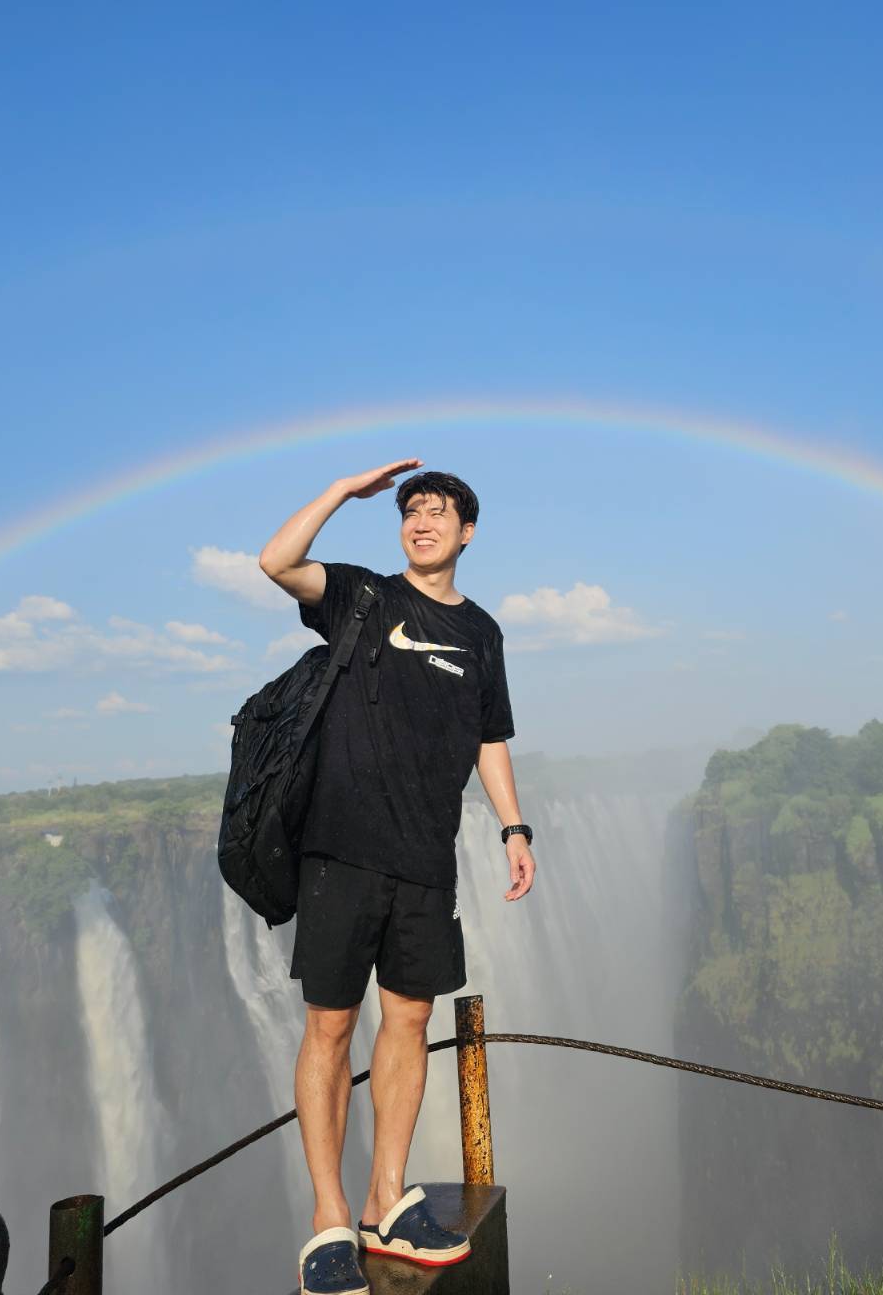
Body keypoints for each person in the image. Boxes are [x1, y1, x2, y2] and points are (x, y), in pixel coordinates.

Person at [259, 461, 535, 1295]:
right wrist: (344, 492)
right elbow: (275, 562)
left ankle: (387, 1198)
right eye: (412, 512)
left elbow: (492, 737)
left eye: (438, 512)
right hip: (341, 852)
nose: (421, 522)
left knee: (409, 1023)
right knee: (332, 1032)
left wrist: (514, 827)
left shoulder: (482, 632)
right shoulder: (362, 597)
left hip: (426, 857)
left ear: (468, 532)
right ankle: (330, 1218)